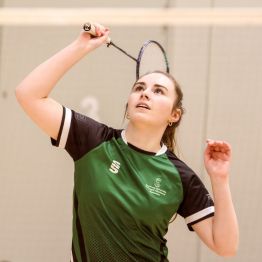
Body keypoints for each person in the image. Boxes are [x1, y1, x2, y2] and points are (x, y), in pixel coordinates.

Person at [15, 24, 239, 262]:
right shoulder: (92, 141)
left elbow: (224, 246)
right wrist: (81, 46)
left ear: (174, 115)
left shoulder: (180, 177)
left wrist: (220, 179)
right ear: (128, 104)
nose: (145, 94)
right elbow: (28, 94)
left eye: (158, 91)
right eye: (139, 88)